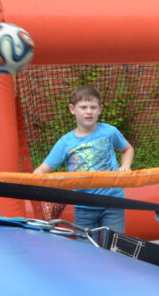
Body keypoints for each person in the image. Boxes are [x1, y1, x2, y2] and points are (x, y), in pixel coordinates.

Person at [34, 85, 134, 233]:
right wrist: (30, 183)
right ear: (72, 109)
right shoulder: (65, 143)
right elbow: (42, 170)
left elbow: (127, 149)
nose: (89, 111)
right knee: (87, 250)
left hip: (113, 203)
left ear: (100, 109)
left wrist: (125, 166)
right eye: (83, 107)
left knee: (115, 246)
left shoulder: (109, 132)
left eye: (93, 107)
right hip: (83, 207)